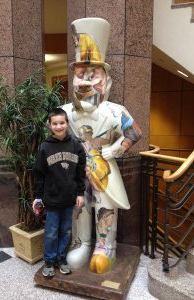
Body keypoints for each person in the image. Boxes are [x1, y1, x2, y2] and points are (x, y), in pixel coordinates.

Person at [62, 17, 142, 274]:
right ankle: (82, 242)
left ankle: (105, 246)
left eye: (92, 75)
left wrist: (118, 148)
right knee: (80, 205)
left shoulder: (115, 111)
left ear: (106, 83)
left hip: (103, 169)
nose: (85, 82)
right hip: (76, 170)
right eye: (80, 75)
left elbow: (135, 132)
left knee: (104, 205)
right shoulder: (63, 113)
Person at [32, 108, 86, 278]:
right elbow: (39, 173)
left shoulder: (76, 145)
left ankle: (61, 259)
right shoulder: (45, 147)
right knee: (51, 232)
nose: (59, 126)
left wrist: (80, 193)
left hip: (70, 199)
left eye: (62, 123)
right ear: (50, 125)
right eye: (55, 123)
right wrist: (38, 197)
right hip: (52, 200)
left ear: (67, 124)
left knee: (66, 231)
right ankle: (49, 261)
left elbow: (80, 172)